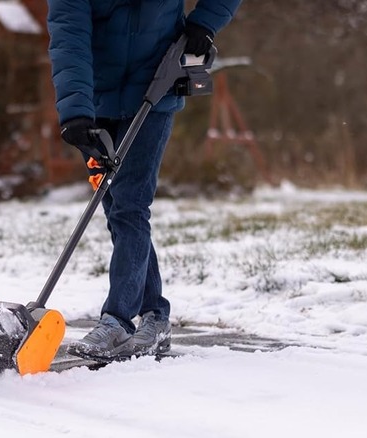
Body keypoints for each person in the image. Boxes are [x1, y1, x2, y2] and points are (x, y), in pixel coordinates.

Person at [47, 0, 242, 361]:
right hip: (94, 102)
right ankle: (156, 315)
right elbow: (68, 35)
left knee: (130, 206)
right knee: (117, 208)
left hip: (156, 85)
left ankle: (118, 320)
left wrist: (205, 24)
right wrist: (75, 114)